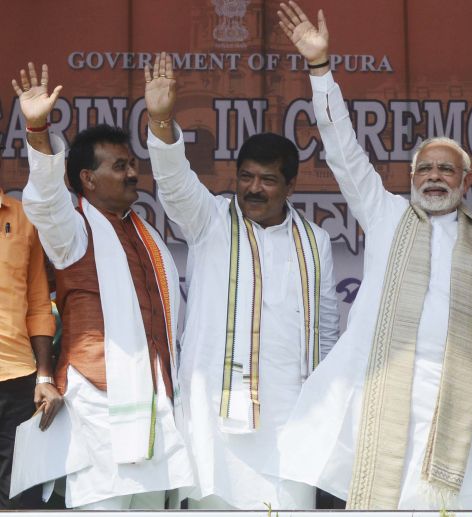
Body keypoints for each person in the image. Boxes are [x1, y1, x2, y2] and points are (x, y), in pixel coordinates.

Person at [273, 2, 472, 509]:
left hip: (453, 411)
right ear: (411, 180)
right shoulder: (386, 214)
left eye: (447, 170)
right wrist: (320, 70)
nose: (435, 176)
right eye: (425, 169)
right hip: (379, 399)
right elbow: (342, 148)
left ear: (465, 182)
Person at [143, 53, 340, 510]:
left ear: (291, 186)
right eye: (246, 177)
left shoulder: (316, 241)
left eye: (268, 180)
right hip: (214, 414)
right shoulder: (210, 219)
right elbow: (174, 182)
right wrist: (161, 122)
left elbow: (327, 330)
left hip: (292, 417)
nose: (253, 188)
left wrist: (326, 407)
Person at [11, 63, 193, 509]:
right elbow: (46, 200)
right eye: (119, 167)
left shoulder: (146, 235)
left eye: (132, 164)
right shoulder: (73, 231)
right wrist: (37, 129)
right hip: (99, 405)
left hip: (155, 406)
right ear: (88, 180)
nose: (133, 173)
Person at [0, 180, 58, 509]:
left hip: (18, 379)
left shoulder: (23, 219)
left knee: (12, 496)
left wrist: (45, 377)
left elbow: (39, 304)